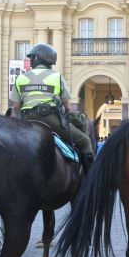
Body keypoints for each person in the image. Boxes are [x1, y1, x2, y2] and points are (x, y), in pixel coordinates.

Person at [10, 43, 94, 174]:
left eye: (31, 57)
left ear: (37, 59)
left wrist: (21, 119)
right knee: (85, 141)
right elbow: (67, 104)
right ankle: (90, 179)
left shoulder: (21, 78)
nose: (30, 60)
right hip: (50, 118)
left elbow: (15, 105)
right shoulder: (56, 76)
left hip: (27, 118)